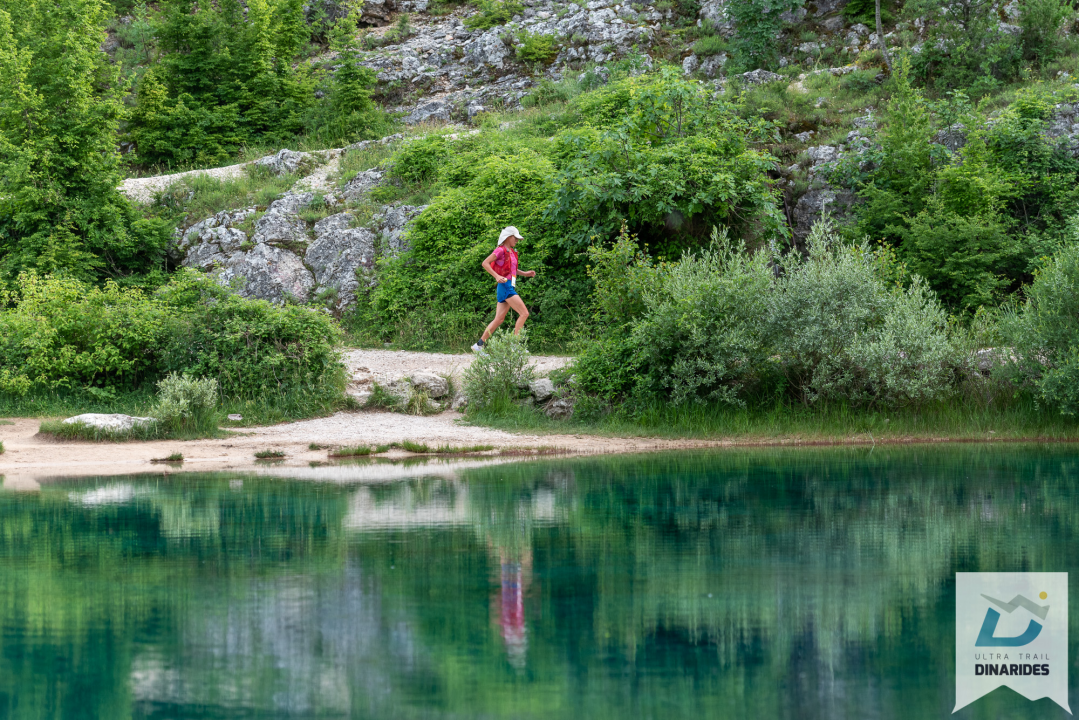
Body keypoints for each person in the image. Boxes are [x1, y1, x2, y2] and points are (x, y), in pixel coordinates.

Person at [471, 226, 536, 352]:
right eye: (515, 238)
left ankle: (478, 345)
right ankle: (515, 346)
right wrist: (496, 276)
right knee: (524, 313)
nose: (517, 240)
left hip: (505, 286)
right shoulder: (500, 250)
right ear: (508, 237)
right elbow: (485, 263)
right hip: (506, 286)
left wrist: (525, 273)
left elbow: (512, 270)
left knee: (499, 319)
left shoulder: (510, 252)